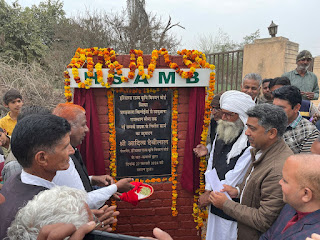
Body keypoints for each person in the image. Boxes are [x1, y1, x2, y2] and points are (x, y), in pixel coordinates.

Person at [209, 104, 293, 240]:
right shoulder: (261, 150)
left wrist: (226, 204)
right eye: (247, 126)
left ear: (272, 133)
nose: (246, 132)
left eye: (252, 128)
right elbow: (255, 187)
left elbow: (263, 220)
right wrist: (237, 191)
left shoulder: (277, 169)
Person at [0, 114, 75, 239]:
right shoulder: (46, 208)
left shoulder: (15, 180)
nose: (72, 151)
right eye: (66, 146)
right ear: (42, 158)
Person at [194, 90, 255, 240]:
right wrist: (208, 189)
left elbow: (236, 176)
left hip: (231, 202)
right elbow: (212, 162)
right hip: (215, 197)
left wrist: (209, 196)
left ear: (241, 116)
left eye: (229, 115)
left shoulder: (249, 143)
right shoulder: (221, 131)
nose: (224, 118)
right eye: (223, 113)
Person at [53, 103, 135, 209]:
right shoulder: (62, 160)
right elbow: (82, 203)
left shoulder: (72, 149)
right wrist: (115, 187)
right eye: (83, 125)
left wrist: (91, 179)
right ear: (68, 127)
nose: (87, 129)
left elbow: (72, 184)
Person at [260, 154, 320, 240]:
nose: (280, 182)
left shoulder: (313, 235)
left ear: (306, 194)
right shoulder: (292, 205)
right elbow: (268, 236)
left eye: (285, 180)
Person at [273, 85, 319, 153]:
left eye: (281, 108)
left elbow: (305, 161)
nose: (275, 111)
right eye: (274, 106)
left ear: (296, 108)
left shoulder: (309, 132)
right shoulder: (268, 123)